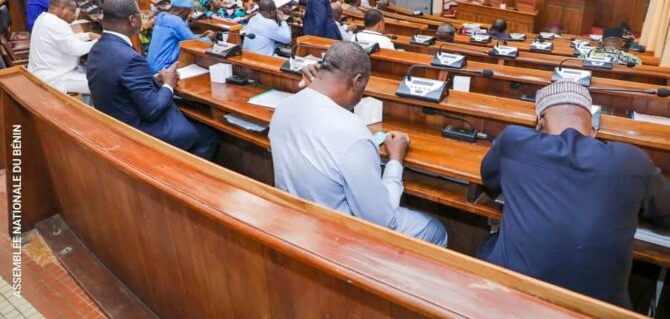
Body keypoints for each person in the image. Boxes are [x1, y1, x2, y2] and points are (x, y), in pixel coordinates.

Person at [477, 80, 670, 307]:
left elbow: (490, 183)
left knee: (489, 245)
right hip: (597, 311)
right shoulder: (633, 161)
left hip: (510, 301)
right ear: (594, 131)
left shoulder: (514, 141)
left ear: (539, 124)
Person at [269, 42, 448, 246]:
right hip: (337, 238)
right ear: (357, 81)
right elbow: (383, 220)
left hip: (297, 221)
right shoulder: (355, 136)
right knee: (436, 230)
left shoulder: (283, 108)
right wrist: (396, 160)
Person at [87, 0, 219, 159]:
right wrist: (168, 84)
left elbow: (122, 84)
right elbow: (153, 110)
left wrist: (154, 79)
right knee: (209, 136)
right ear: (133, 20)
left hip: (117, 124)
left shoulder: (96, 49)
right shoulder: (130, 58)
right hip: (140, 132)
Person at [28, 0, 99, 94]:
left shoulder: (43, 18)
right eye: (73, 11)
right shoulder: (56, 24)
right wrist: (98, 41)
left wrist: (88, 35)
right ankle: (86, 109)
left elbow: (65, 40)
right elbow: (77, 50)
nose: (75, 15)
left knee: (94, 75)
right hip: (54, 79)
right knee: (101, 83)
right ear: (63, 9)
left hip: (45, 73)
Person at [146, 0, 216, 74]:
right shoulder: (175, 21)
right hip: (163, 68)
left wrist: (201, 36)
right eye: (189, 12)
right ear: (181, 11)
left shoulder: (162, 17)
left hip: (150, 67)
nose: (189, 16)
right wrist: (209, 38)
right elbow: (192, 42)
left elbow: (187, 37)